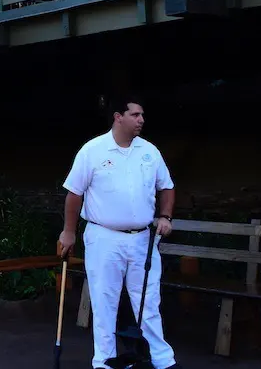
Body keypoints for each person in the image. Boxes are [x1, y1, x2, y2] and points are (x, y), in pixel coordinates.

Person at [59, 95, 179, 369]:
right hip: (104, 237)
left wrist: (165, 216)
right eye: (135, 115)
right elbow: (74, 194)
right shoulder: (93, 150)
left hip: (142, 239)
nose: (141, 120)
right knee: (104, 301)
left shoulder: (149, 151)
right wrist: (69, 232)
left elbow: (167, 186)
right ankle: (105, 361)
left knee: (148, 301)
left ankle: (161, 359)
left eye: (142, 115)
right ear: (118, 117)